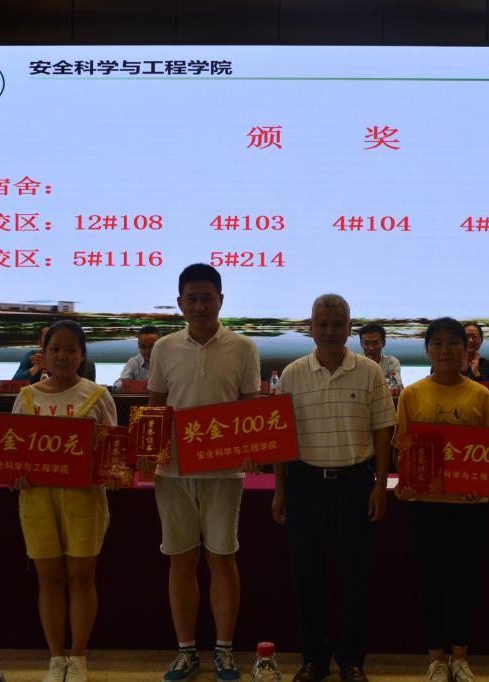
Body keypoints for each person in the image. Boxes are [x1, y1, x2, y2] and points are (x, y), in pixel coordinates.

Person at [147, 264, 261, 682]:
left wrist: (252, 449)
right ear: (179, 303)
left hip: (224, 470)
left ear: (221, 301)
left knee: (221, 557)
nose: (199, 306)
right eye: (191, 299)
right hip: (173, 470)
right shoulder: (164, 348)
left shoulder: (244, 347)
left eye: (207, 298)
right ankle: (186, 651)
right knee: (180, 559)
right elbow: (156, 405)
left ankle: (224, 651)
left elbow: (251, 407)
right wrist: (147, 452)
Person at [272, 294, 394, 682]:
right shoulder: (292, 374)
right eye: (322, 324)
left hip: (355, 486)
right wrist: (279, 490)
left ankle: (352, 661)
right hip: (306, 485)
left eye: (337, 324)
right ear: (310, 328)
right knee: (307, 578)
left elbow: (383, 431)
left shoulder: (369, 372)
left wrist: (379, 484)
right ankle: (314, 659)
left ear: (348, 328)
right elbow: (280, 436)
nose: (329, 331)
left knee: (354, 578)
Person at [11, 320, 116, 682]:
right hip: (37, 501)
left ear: (82, 355)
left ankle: (79, 658)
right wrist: (16, 474)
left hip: (84, 500)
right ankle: (56, 659)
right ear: (42, 354)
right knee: (50, 580)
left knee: (81, 578)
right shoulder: (26, 397)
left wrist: (112, 472)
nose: (62, 356)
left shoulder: (98, 396)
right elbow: (12, 454)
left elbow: (112, 452)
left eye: (71, 350)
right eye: (55, 349)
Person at [393, 317, 489, 682]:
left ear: (466, 349)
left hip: (469, 507)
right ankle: (436, 659)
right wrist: (407, 483)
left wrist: (482, 484)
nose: (445, 350)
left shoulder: (481, 396)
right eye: (437, 343)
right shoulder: (412, 394)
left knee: (465, 583)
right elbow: (403, 451)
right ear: (427, 350)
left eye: (453, 343)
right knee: (431, 584)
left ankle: (460, 658)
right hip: (426, 507)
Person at [14, 323, 96, 384]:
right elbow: (14, 382)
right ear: (40, 343)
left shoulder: (84, 363)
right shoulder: (33, 356)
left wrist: (50, 366)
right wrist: (36, 368)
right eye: (47, 338)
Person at [358, 323, 403, 390]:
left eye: (375, 343)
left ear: (383, 343)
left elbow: (397, 386)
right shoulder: (355, 362)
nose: (371, 348)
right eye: (366, 343)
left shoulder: (391, 362)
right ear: (361, 344)